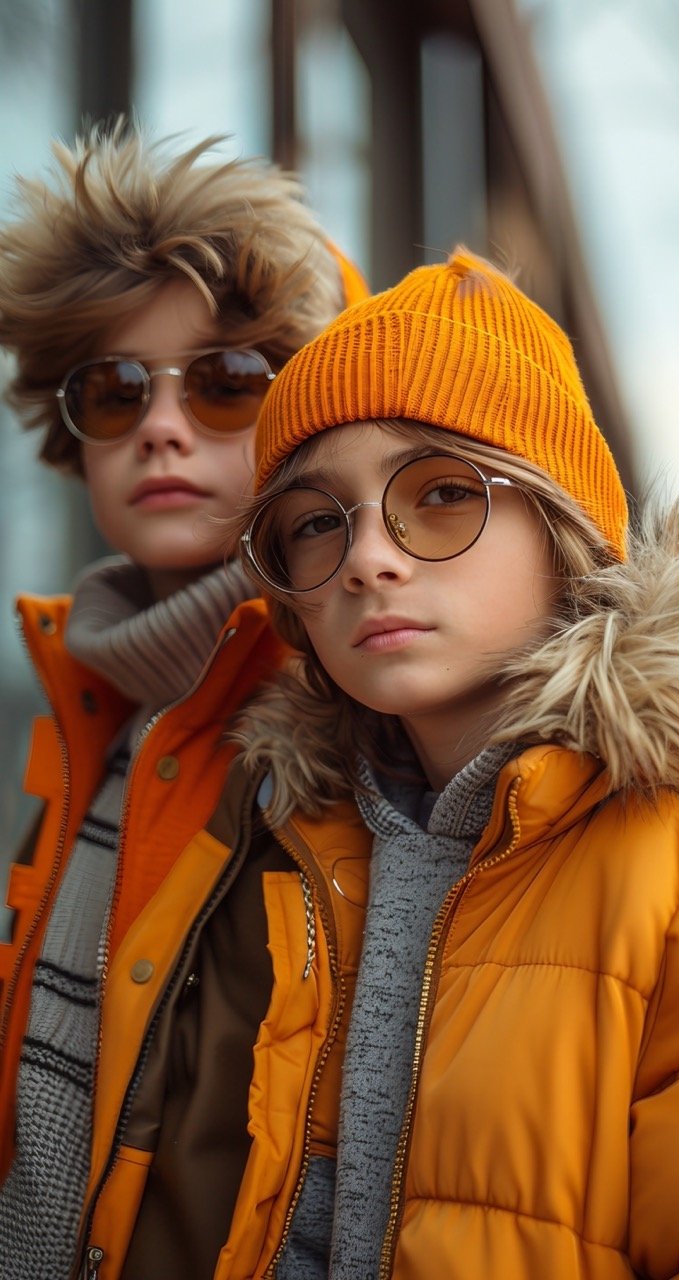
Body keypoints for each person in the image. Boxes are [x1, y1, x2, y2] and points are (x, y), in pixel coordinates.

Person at [232, 247, 679, 1278]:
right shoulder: (294, 836)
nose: (368, 554)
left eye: (442, 491)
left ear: (564, 527)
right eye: (315, 521)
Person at [0, 120, 368, 1280]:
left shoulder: (363, 716)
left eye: (227, 380)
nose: (161, 423)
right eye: (113, 388)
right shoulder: (85, 708)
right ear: (76, 440)